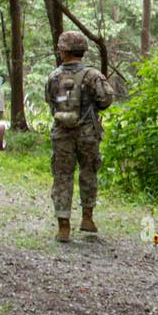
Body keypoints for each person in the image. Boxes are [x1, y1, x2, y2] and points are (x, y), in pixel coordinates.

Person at [47, 30, 114, 241]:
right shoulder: (93, 75)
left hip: (61, 134)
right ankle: (87, 218)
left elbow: (49, 100)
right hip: (88, 133)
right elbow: (106, 99)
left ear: (64, 51)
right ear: (83, 50)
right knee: (88, 172)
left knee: (62, 176)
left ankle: (63, 226)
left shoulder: (54, 76)